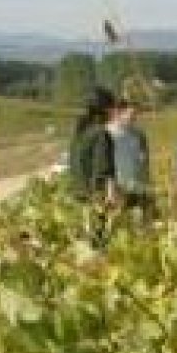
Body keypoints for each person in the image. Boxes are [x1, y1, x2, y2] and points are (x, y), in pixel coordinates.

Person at [67, 87, 119, 247]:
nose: (115, 112)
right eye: (112, 108)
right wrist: (110, 194)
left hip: (79, 193)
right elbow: (103, 167)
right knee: (99, 242)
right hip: (96, 195)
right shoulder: (101, 134)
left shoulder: (79, 133)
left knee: (85, 241)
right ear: (103, 109)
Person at [107, 98, 152, 220]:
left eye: (135, 115)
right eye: (131, 115)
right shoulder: (108, 134)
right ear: (118, 113)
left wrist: (147, 187)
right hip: (118, 188)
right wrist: (110, 189)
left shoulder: (138, 134)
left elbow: (144, 163)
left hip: (137, 188)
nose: (134, 118)